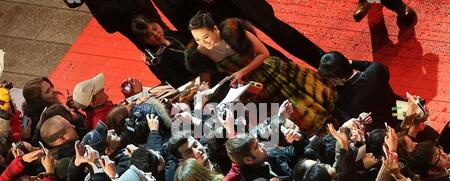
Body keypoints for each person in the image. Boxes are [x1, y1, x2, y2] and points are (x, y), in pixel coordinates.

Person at [185, 12, 337, 135]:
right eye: (197, 40)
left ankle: (331, 131)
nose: (203, 43)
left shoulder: (236, 34)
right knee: (284, 121)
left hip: (271, 74)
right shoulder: (202, 52)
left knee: (303, 109)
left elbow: (264, 54)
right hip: (252, 89)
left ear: (215, 29)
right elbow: (210, 75)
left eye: (205, 37)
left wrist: (241, 72)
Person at [153, 0, 325, 68]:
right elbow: (172, 10)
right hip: (205, 15)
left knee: (277, 29)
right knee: (254, 49)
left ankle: (326, 64)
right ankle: (296, 76)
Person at [318, 51, 400, 129]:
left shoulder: (341, 100)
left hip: (382, 127)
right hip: (398, 110)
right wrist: (351, 63)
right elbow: (369, 65)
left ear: (336, 79)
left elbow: (348, 118)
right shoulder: (376, 69)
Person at [62, 0, 163, 50]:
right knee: (146, 46)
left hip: (137, 6)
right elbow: (74, 2)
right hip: (116, 16)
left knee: (162, 32)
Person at [130, 15, 197, 88]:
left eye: (155, 28)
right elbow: (178, 83)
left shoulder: (168, 34)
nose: (156, 34)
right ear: (144, 41)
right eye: (149, 36)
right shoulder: (157, 60)